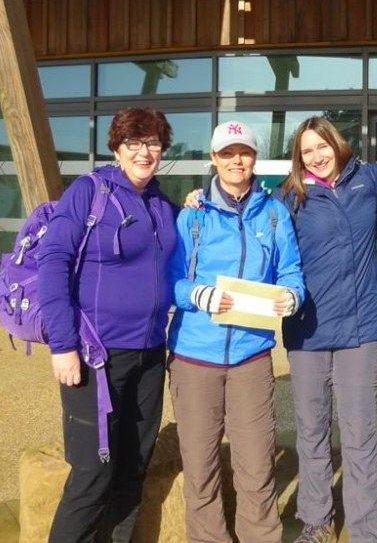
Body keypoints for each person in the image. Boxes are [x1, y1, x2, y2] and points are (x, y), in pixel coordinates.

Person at [38, 107, 180, 543]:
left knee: (132, 466)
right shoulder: (89, 191)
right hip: (95, 356)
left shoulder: (161, 203)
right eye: (133, 143)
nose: (144, 152)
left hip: (150, 354)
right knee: (93, 472)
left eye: (153, 143)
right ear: (117, 148)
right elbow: (53, 261)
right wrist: (62, 345)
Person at [168, 119, 305, 543]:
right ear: (214, 158)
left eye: (243, 152)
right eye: (227, 153)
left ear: (254, 158)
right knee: (201, 467)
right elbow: (171, 280)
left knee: (257, 465)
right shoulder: (192, 215)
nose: (236, 161)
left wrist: (292, 296)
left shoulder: (275, 213)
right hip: (195, 357)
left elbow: (290, 270)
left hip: (251, 357)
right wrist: (198, 295)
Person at [276, 117, 377, 543]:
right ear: (298, 157)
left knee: (360, 433)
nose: (316, 156)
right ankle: (317, 520)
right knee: (312, 430)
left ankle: (365, 531)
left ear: (336, 144)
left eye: (321, 146)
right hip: (307, 330)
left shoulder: (368, 179)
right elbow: (249, 219)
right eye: (306, 151)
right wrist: (201, 196)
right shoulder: (288, 197)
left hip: (359, 330)